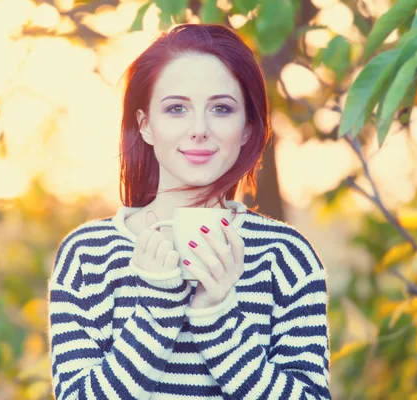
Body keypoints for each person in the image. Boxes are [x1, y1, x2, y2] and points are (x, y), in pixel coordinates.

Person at [48, 24, 331, 399]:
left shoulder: (285, 256)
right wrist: (158, 309)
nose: (199, 129)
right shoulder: (88, 256)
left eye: (221, 108)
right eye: (176, 108)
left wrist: (217, 315)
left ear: (248, 127)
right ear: (146, 125)